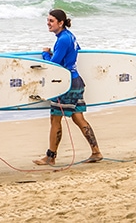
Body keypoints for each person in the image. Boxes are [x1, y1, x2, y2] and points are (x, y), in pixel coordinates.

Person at [33, 9, 103, 166]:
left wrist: (45, 54)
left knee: (55, 118)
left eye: (51, 21)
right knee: (78, 118)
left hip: (67, 84)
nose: (48, 23)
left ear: (61, 23)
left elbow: (54, 64)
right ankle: (96, 152)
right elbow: (75, 53)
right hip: (76, 81)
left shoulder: (63, 39)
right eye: (47, 20)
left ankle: (50, 157)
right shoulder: (69, 36)